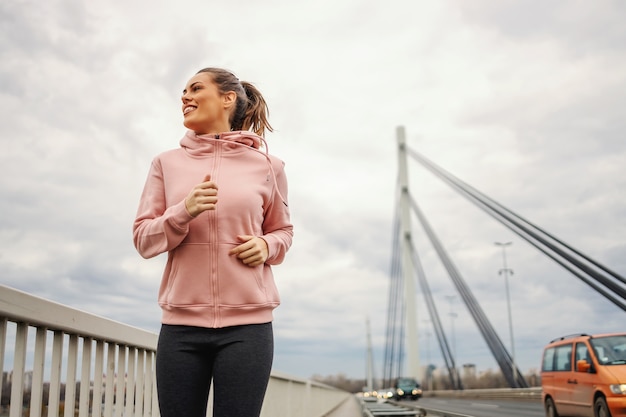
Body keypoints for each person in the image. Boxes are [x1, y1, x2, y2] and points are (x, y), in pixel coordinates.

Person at [133, 67, 293, 417]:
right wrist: (182, 212)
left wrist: (267, 246)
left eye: (195, 88)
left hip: (248, 327)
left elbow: (283, 231)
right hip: (181, 327)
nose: (184, 97)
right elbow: (143, 240)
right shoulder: (166, 163)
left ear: (227, 98)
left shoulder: (269, 166)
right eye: (183, 91)